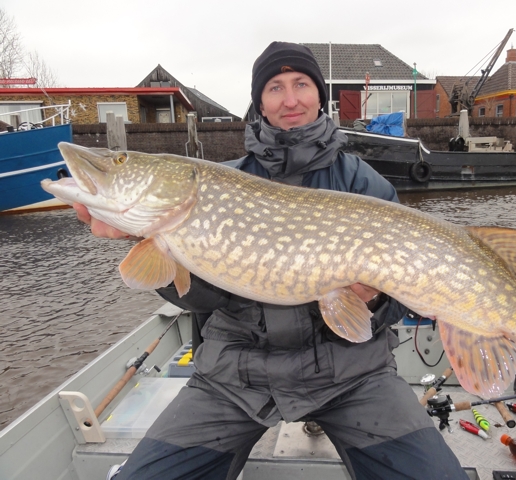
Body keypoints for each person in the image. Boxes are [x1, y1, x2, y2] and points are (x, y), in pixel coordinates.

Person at [77, 41, 467, 480]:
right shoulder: (223, 182)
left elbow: (399, 301)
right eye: (275, 87)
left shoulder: (365, 185)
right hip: (234, 375)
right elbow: (201, 299)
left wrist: (373, 300)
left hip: (353, 375)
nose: (291, 98)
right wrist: (149, 239)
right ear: (259, 101)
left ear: (320, 94)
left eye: (301, 84)